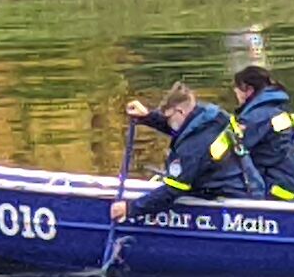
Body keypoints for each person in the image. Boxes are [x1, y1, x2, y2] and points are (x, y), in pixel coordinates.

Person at [110, 82, 264, 222]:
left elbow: (173, 190)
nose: (168, 122)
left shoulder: (193, 147)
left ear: (180, 112)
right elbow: (178, 127)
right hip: (244, 184)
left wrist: (130, 209)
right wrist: (147, 117)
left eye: (169, 117)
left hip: (231, 196)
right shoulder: (207, 116)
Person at [232, 65, 294, 200]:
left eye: (237, 90)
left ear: (247, 89)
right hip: (293, 181)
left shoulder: (255, 117)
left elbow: (233, 150)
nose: (236, 95)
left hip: (272, 187)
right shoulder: (284, 110)